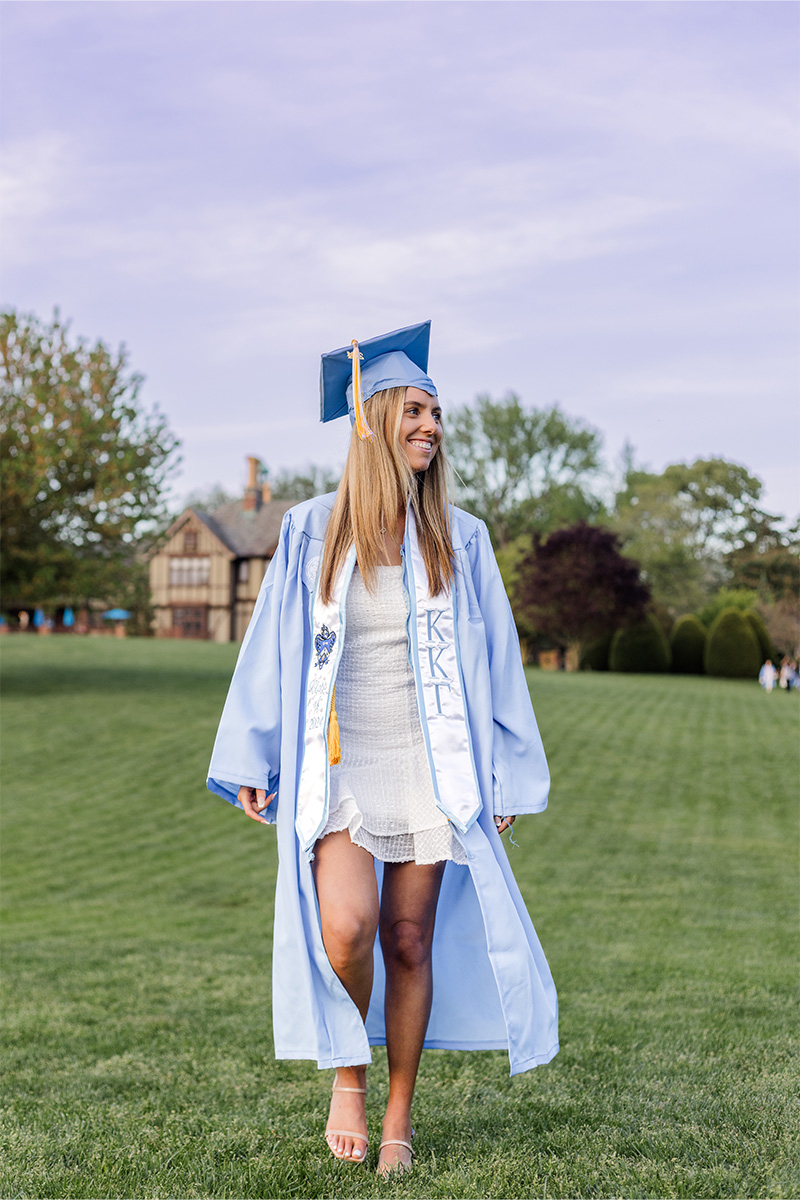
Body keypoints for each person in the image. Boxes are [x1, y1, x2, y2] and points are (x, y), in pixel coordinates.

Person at [207, 321, 558, 1177]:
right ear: (372, 420)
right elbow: (269, 650)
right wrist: (255, 755)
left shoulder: (459, 540)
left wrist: (505, 770)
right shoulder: (309, 531)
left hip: (430, 763)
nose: (431, 427)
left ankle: (399, 1111)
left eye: (436, 413)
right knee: (347, 927)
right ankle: (349, 1078)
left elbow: (499, 664)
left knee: (408, 940)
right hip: (339, 761)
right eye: (414, 410)